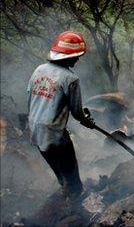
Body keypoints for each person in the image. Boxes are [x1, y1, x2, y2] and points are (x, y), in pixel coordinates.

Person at [27, 30, 95, 197]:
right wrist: (87, 121)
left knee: (61, 174)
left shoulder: (39, 70)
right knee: (73, 180)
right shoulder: (70, 78)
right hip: (55, 133)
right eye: (76, 56)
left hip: (35, 129)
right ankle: (77, 214)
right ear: (68, 56)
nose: (78, 59)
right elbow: (77, 112)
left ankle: (65, 200)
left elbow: (30, 97)